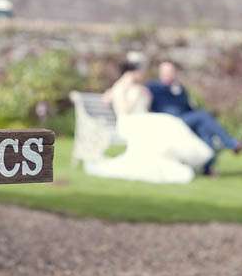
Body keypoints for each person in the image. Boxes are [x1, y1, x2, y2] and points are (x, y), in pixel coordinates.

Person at [83, 59, 213, 184]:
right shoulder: (121, 87)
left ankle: (175, 157)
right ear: (132, 72)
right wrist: (135, 96)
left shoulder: (139, 87)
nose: (142, 75)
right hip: (128, 123)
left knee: (169, 121)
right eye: (140, 72)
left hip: (141, 120)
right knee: (167, 122)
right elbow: (123, 110)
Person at [146, 61, 242, 176]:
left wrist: (178, 92)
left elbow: (188, 107)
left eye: (171, 72)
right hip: (170, 121)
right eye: (166, 72)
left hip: (185, 119)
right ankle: (231, 144)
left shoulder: (179, 89)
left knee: (204, 130)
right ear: (160, 73)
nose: (169, 74)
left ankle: (208, 167)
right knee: (203, 116)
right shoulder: (153, 87)